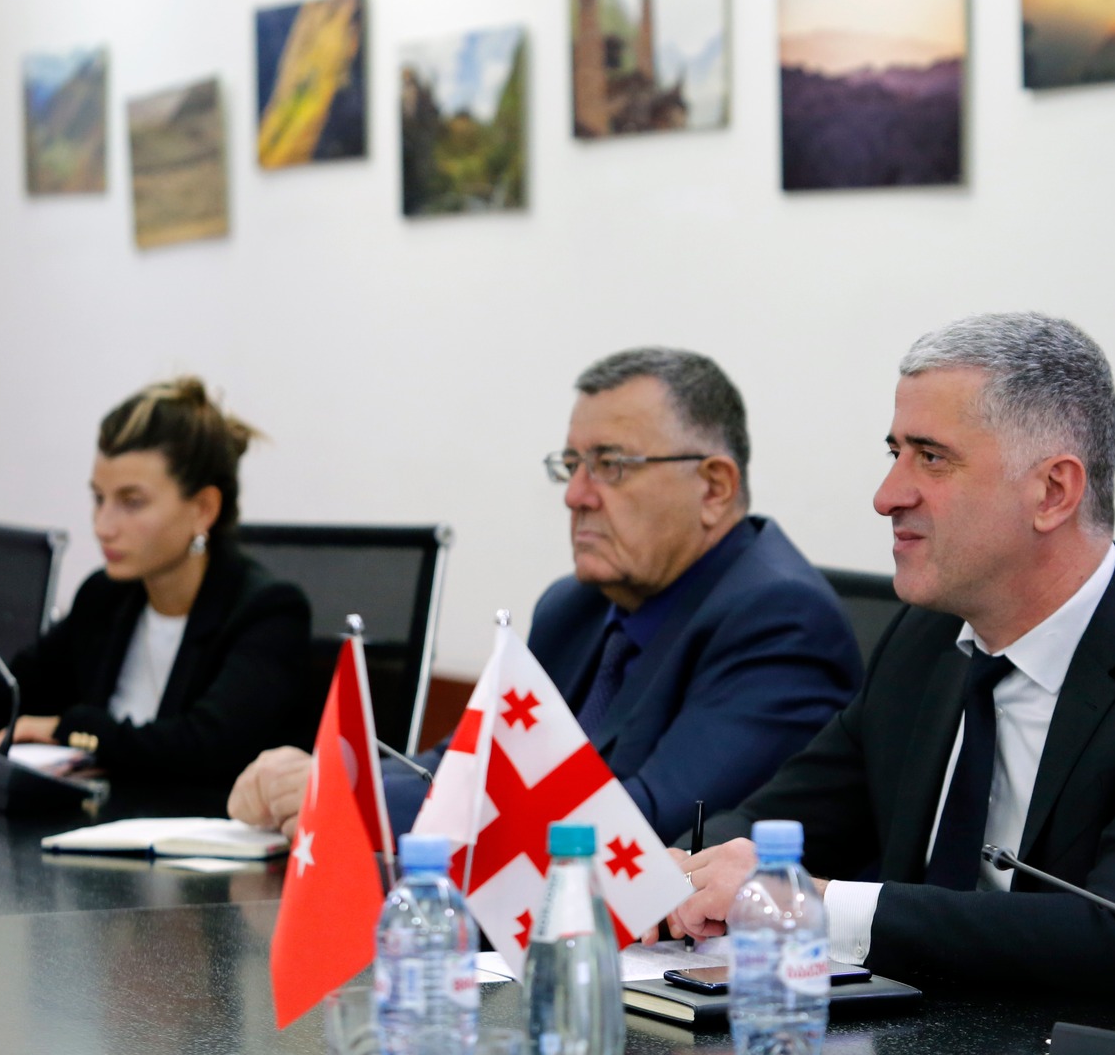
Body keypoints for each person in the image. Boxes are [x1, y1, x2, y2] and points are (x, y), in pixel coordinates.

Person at [667, 313, 1115, 990]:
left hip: (1098, 1049)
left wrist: (808, 905)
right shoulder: (926, 638)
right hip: (916, 1034)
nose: (887, 496)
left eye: (932, 457)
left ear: (1052, 492)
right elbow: (781, 820)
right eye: (895, 453)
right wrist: (687, 872)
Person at [229, 347, 862, 842]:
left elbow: (638, 827)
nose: (576, 495)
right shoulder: (575, 607)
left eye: (611, 465)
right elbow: (465, 765)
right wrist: (338, 775)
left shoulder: (779, 621)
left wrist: (356, 799)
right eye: (571, 465)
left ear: (715, 488)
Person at [0, 377, 314, 805]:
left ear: (203, 509)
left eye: (131, 502)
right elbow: (14, 690)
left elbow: (205, 747)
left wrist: (69, 729)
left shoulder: (268, 612)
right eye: (99, 498)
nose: (103, 526)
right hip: (93, 826)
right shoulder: (106, 597)